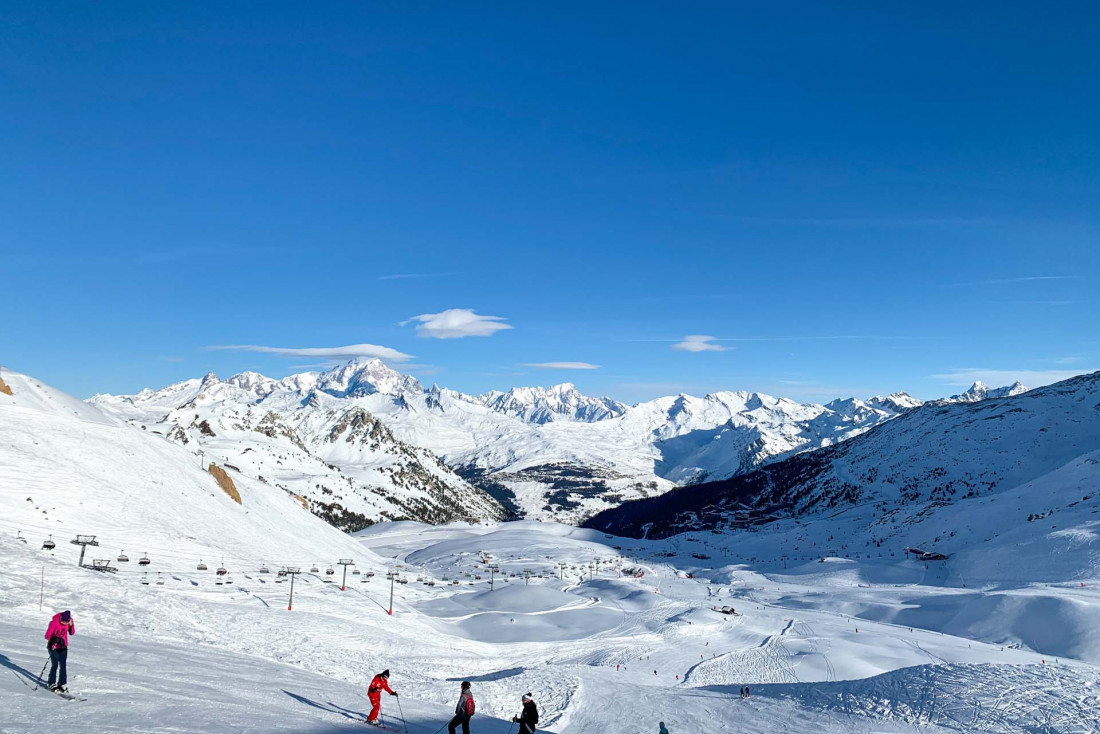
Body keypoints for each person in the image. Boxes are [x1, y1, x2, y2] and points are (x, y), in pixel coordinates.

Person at [44, 610, 75, 692]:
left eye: (66, 622)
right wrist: (55, 640)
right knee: (55, 665)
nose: (64, 623)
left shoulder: (69, 622)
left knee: (63, 665)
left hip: (63, 647)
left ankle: (62, 683)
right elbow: (47, 635)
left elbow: (72, 633)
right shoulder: (54, 622)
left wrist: (71, 626)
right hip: (54, 646)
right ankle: (51, 683)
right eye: (63, 621)